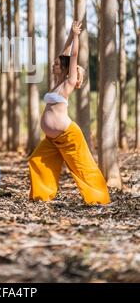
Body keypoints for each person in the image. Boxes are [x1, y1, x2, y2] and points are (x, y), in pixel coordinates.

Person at [28, 21, 110, 205]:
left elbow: (72, 55)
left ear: (65, 69)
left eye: (56, 64)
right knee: (36, 160)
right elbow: (64, 53)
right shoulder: (55, 83)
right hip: (52, 139)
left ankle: (99, 198)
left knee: (82, 167)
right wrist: (68, 37)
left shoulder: (68, 83)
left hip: (69, 136)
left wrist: (76, 36)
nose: (53, 65)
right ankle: (42, 197)